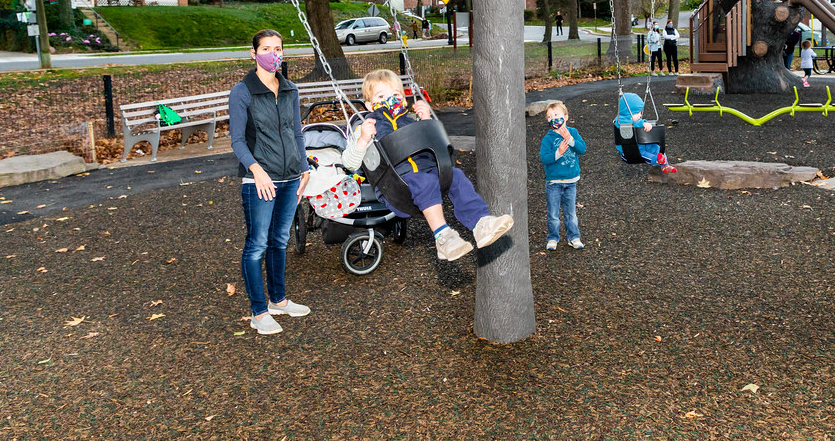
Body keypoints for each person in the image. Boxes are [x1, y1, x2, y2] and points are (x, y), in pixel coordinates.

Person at [341, 69, 514, 261]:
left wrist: (426, 122)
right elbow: (349, 163)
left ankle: (481, 224)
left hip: (428, 175)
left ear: (403, 97)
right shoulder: (367, 127)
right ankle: (443, 237)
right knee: (423, 180)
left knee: (455, 176)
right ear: (369, 104)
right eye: (381, 96)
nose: (390, 100)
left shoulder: (411, 121)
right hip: (396, 187)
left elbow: (439, 147)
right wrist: (363, 140)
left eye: (395, 95)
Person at [229, 29, 313, 336]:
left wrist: (304, 168)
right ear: (253, 54)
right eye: (266, 48)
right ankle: (259, 312)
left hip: (291, 176)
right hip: (259, 181)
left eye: (278, 48)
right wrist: (256, 169)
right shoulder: (243, 91)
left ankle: (278, 300)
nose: (273, 53)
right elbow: (237, 141)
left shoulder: (290, 89)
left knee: (280, 240)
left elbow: (297, 133)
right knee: (257, 245)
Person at [539, 101, 586, 251]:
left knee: (570, 213)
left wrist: (571, 140)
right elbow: (544, 158)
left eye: (557, 115)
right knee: (553, 214)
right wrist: (558, 152)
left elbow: (582, 149)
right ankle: (553, 238)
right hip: (554, 183)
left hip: (571, 181)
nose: (554, 118)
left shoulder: (573, 132)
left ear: (565, 117)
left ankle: (574, 237)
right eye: (550, 116)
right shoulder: (548, 139)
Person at [614, 92, 677, 173]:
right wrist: (642, 124)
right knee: (645, 155)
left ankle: (665, 165)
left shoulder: (636, 119)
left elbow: (641, 121)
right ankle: (657, 160)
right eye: (637, 113)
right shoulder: (620, 120)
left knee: (657, 148)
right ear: (627, 112)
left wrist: (646, 123)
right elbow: (629, 123)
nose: (640, 115)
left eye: (640, 112)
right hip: (630, 152)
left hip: (643, 145)